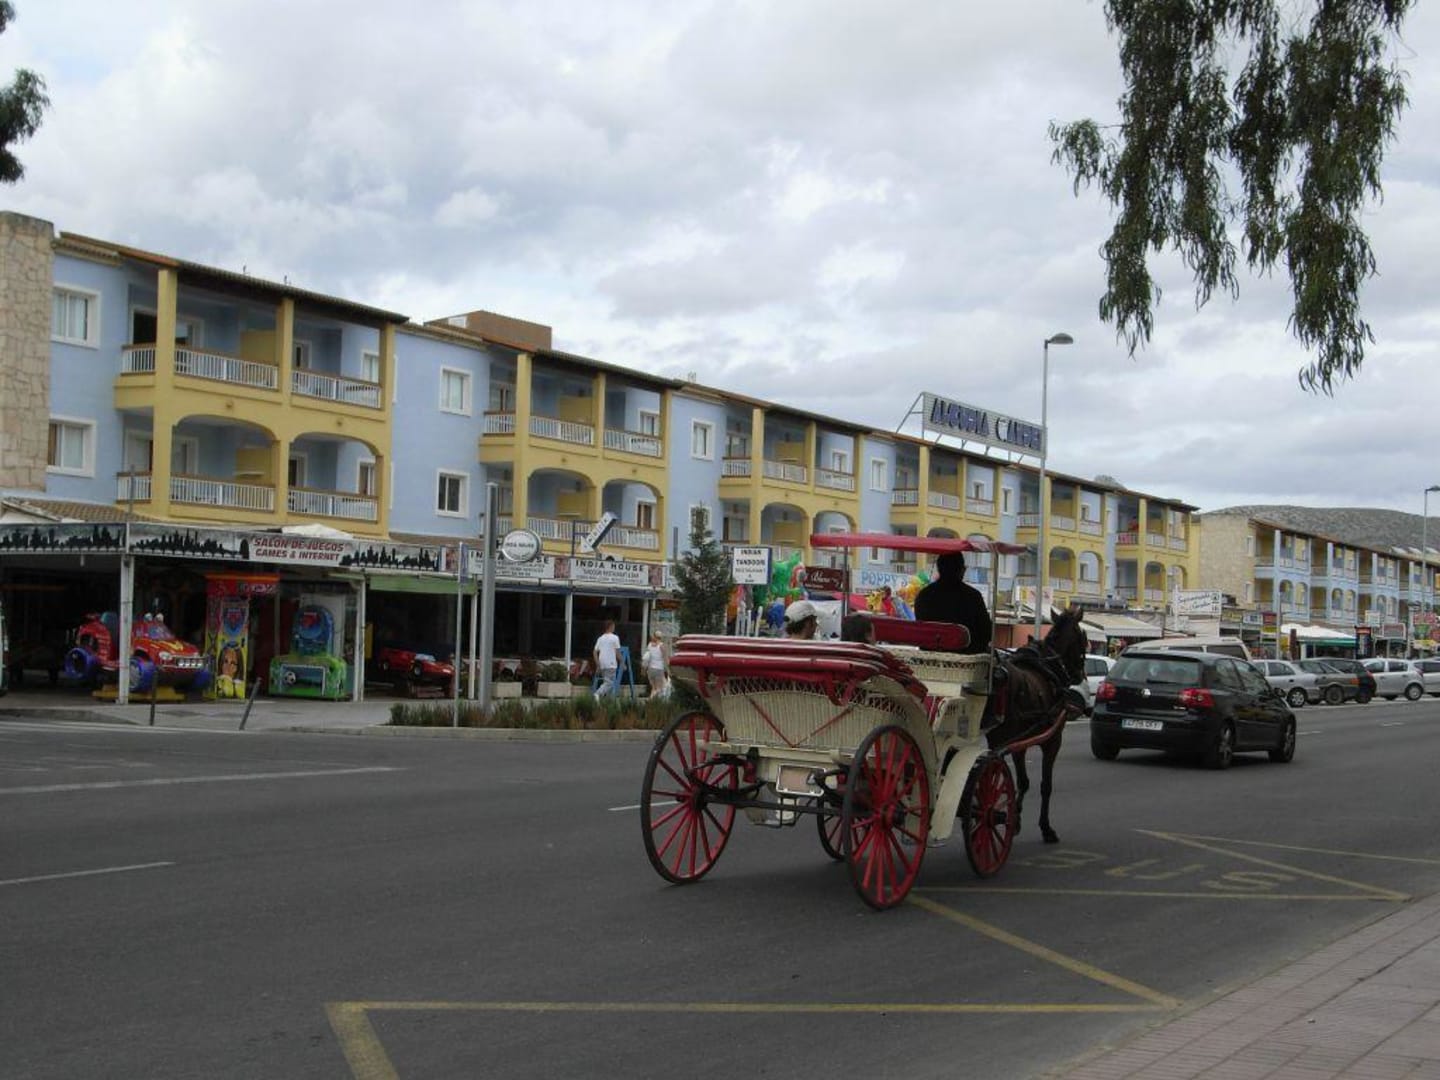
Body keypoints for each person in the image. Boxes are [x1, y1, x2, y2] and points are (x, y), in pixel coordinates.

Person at [914, 551, 991, 654]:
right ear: (962, 570)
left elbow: (921, 630)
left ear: (939, 569)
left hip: (930, 657)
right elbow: (987, 633)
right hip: (968, 659)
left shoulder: (924, 595)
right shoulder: (973, 597)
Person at [593, 620, 622, 697]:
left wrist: (598, 664)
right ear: (611, 627)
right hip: (611, 663)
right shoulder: (615, 638)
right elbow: (617, 652)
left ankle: (603, 700)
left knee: (606, 682)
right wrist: (622, 662)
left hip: (602, 663)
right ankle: (597, 693)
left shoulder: (600, 638)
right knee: (609, 683)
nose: (614, 628)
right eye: (613, 626)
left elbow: (595, 652)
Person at [640, 631, 669, 698]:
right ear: (661, 637)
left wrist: (643, 669)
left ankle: (652, 700)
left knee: (654, 688)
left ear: (654, 636)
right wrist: (669, 670)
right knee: (659, 688)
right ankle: (652, 700)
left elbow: (646, 657)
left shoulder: (649, 645)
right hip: (659, 669)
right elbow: (666, 659)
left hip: (650, 670)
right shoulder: (662, 646)